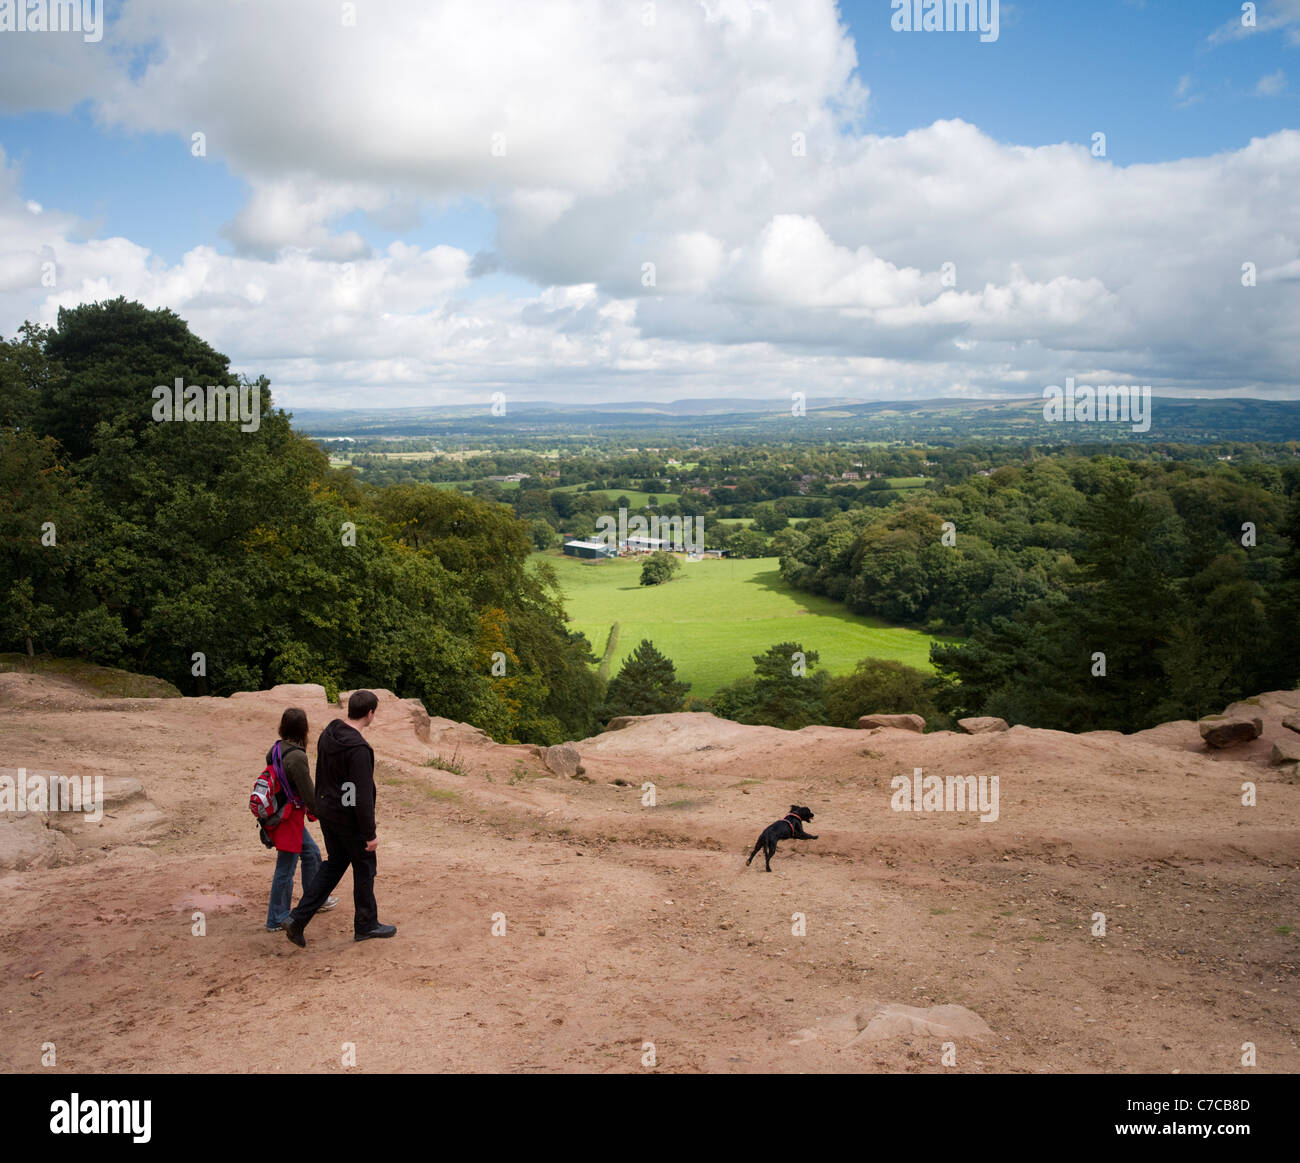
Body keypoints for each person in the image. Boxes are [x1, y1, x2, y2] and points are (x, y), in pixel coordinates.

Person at [282, 690, 396, 947]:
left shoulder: (329, 734)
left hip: (328, 812)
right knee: (365, 865)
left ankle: (297, 919)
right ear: (370, 713)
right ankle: (366, 925)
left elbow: (322, 774)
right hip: (348, 819)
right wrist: (369, 834)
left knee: (335, 864)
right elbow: (362, 795)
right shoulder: (358, 749)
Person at [264, 707, 338, 931]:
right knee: (286, 868)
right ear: (303, 728)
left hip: (282, 815)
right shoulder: (297, 756)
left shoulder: (276, 749)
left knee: (311, 853)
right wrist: (323, 813)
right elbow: (308, 792)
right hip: (288, 820)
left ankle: (314, 900)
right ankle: (276, 918)